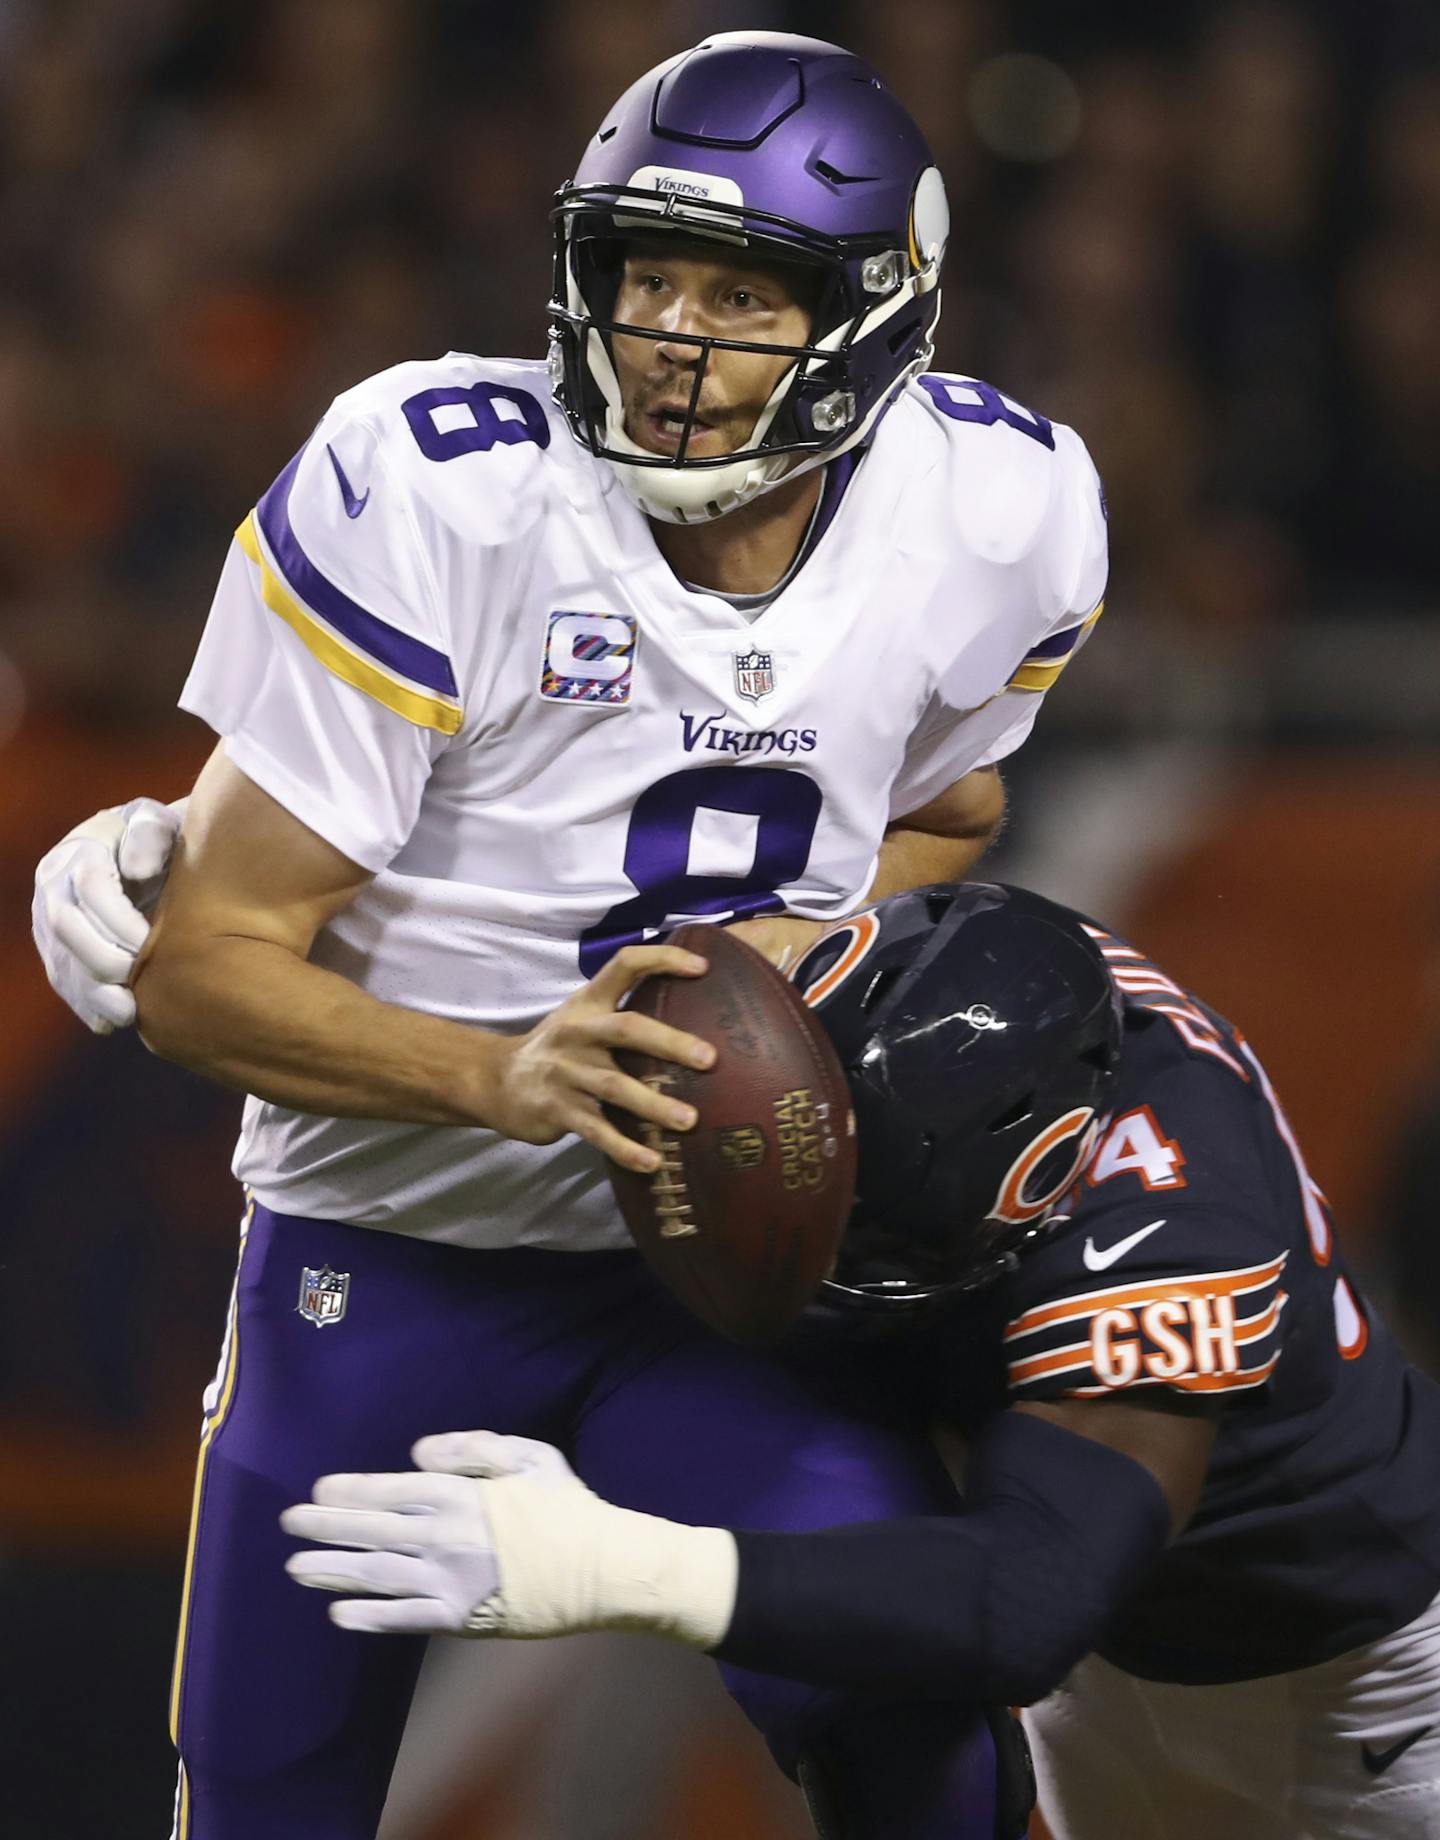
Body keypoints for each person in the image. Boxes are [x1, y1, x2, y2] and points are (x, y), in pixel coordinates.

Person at [31, 31, 1108, 1840]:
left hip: (710, 1278)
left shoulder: (1002, 508)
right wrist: (506, 1070)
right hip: (386, 1254)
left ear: (874, 315)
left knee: (911, 1712)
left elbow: (945, 812)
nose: (675, 337)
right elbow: (201, 969)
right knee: (265, 1798)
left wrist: (778, 970)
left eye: (745, 291)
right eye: (647, 272)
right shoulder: (441, 480)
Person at [276, 883, 1440, 1840]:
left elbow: (1029, 1599)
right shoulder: (968, 976)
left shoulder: (1167, 1240)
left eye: (864, 1234)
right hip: (1116, 1679)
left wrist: (619, 1565)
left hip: (1359, 1688)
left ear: (1027, 1189)